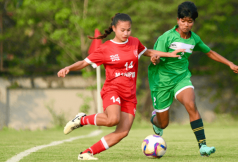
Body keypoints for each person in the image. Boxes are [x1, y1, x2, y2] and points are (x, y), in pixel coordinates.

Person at [57, 13, 183, 160]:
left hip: (129, 94)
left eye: (128, 30)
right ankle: (82, 119)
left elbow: (147, 52)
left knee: (123, 132)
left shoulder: (134, 42)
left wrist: (169, 54)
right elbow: (84, 62)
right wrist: (68, 68)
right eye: (122, 30)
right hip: (112, 89)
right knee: (112, 119)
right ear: (114, 28)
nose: (126, 33)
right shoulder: (106, 48)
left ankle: (86, 153)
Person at [148, 1, 238, 157]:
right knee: (163, 123)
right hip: (162, 82)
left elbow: (209, 52)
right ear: (177, 20)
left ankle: (203, 146)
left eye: (189, 21)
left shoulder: (194, 39)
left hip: (182, 79)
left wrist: (230, 64)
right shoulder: (166, 37)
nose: (186, 24)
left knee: (191, 105)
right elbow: (154, 55)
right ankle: (154, 119)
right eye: (183, 20)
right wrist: (155, 60)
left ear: (193, 22)